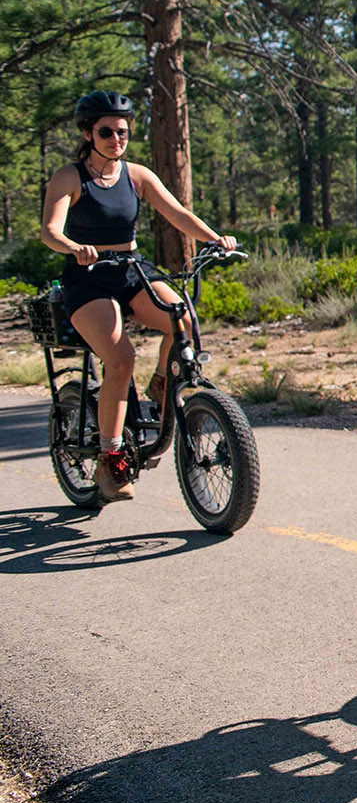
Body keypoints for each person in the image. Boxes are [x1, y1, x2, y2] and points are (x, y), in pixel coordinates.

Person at [38, 91, 238, 502]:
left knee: (182, 319)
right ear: (88, 133)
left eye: (123, 132)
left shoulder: (136, 175)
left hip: (131, 269)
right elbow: (50, 231)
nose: (116, 139)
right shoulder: (69, 177)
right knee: (121, 359)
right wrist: (73, 247)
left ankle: (162, 388)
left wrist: (215, 238)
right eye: (106, 131)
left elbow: (178, 213)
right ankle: (111, 458)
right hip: (87, 278)